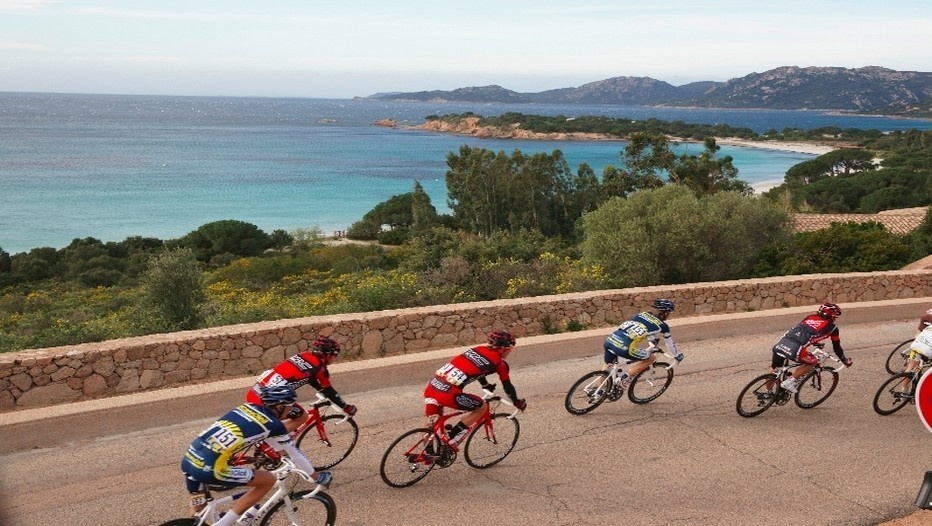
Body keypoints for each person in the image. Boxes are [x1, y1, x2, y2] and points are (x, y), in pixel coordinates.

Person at [181, 385, 332, 526]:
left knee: (197, 511)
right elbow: (294, 454)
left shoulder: (247, 407)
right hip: (210, 468)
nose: (291, 410)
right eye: (290, 406)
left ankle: (194, 520)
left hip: (189, 458)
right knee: (268, 480)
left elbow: (268, 440)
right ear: (279, 407)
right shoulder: (274, 425)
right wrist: (317, 477)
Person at [423, 330, 527, 446]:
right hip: (448, 394)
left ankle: (428, 453)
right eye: (510, 349)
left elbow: (478, 370)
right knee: (482, 407)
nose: (510, 352)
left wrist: (485, 385)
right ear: (503, 349)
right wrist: (516, 402)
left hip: (432, 387)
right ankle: (453, 435)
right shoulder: (500, 364)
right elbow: (508, 387)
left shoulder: (477, 349)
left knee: (431, 425)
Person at [246, 335, 357, 433]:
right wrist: (346, 407)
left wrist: (321, 391)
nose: (335, 359)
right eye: (334, 355)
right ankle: (279, 444)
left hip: (254, 392)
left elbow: (310, 378)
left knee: (283, 416)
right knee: (302, 417)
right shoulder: (320, 369)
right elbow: (330, 391)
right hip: (267, 401)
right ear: (328, 355)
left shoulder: (302, 355)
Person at [602, 298, 684, 390]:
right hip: (625, 348)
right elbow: (669, 343)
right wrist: (676, 355)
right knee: (651, 358)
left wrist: (652, 339)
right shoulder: (663, 326)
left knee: (608, 366)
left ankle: (597, 391)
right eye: (670, 313)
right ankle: (624, 379)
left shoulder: (642, 314)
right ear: (665, 313)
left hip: (610, 340)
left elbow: (643, 328)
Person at [773, 302, 853, 393]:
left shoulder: (810, 317)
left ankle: (768, 394)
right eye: (835, 317)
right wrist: (844, 360)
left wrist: (815, 342)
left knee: (774, 368)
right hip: (796, 348)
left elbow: (803, 332)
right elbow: (836, 347)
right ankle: (789, 382)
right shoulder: (832, 328)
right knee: (813, 361)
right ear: (831, 316)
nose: (835, 319)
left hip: (782, 342)